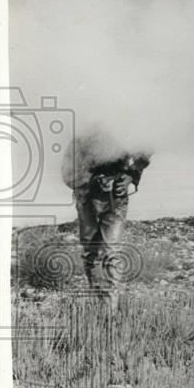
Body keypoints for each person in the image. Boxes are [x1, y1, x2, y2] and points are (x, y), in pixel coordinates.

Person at [61, 127, 151, 299]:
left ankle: (109, 312)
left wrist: (130, 177)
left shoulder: (123, 128)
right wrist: (93, 182)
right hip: (87, 199)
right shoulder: (80, 138)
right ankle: (97, 301)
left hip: (116, 199)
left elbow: (146, 149)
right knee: (90, 251)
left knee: (111, 252)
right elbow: (67, 173)